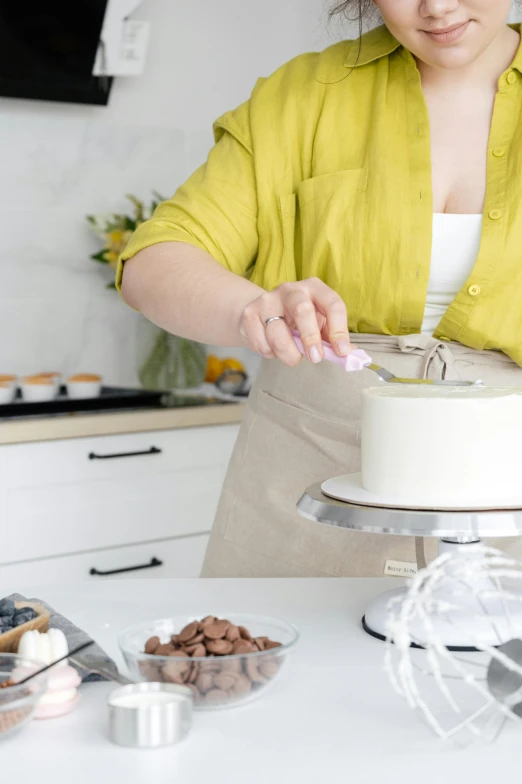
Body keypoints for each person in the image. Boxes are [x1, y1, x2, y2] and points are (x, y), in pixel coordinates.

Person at [118, 1, 522, 578]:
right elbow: (154, 260)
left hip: (506, 480)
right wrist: (249, 309)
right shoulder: (304, 94)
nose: (436, 6)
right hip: (306, 471)